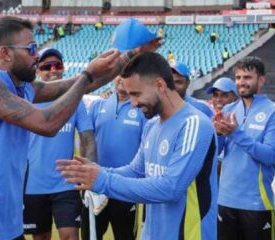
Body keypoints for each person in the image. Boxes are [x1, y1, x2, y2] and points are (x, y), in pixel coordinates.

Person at [0, 16, 161, 240]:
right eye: (32, 48)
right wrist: (86, 75)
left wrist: (133, 54)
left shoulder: (21, 87)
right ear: (5, 53)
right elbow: (46, 123)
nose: (36, 55)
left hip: (7, 226)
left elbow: (83, 84)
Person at [57, 52, 218, 240]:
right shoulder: (152, 125)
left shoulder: (194, 124)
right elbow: (136, 170)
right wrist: (96, 171)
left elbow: (170, 188)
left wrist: (104, 180)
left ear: (160, 85)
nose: (133, 103)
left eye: (136, 94)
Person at [23, 48, 96, 240]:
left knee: (70, 236)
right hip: (32, 185)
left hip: (66, 184)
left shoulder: (74, 100)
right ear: (38, 70)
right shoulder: (26, 99)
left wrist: (90, 175)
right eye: (47, 66)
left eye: (58, 65)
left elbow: (88, 139)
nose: (53, 70)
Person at [214, 57, 275, 240]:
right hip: (225, 200)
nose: (241, 82)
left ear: (261, 80)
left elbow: (270, 156)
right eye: (239, 77)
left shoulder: (272, 111)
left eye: (247, 77)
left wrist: (235, 134)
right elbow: (217, 152)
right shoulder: (228, 110)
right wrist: (217, 134)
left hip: (256, 204)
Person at [81, 75, 146, 240]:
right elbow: (86, 141)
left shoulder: (142, 109)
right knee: (91, 236)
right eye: (119, 74)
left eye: (127, 75)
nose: (122, 79)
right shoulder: (98, 105)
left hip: (126, 188)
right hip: (97, 186)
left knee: (125, 236)